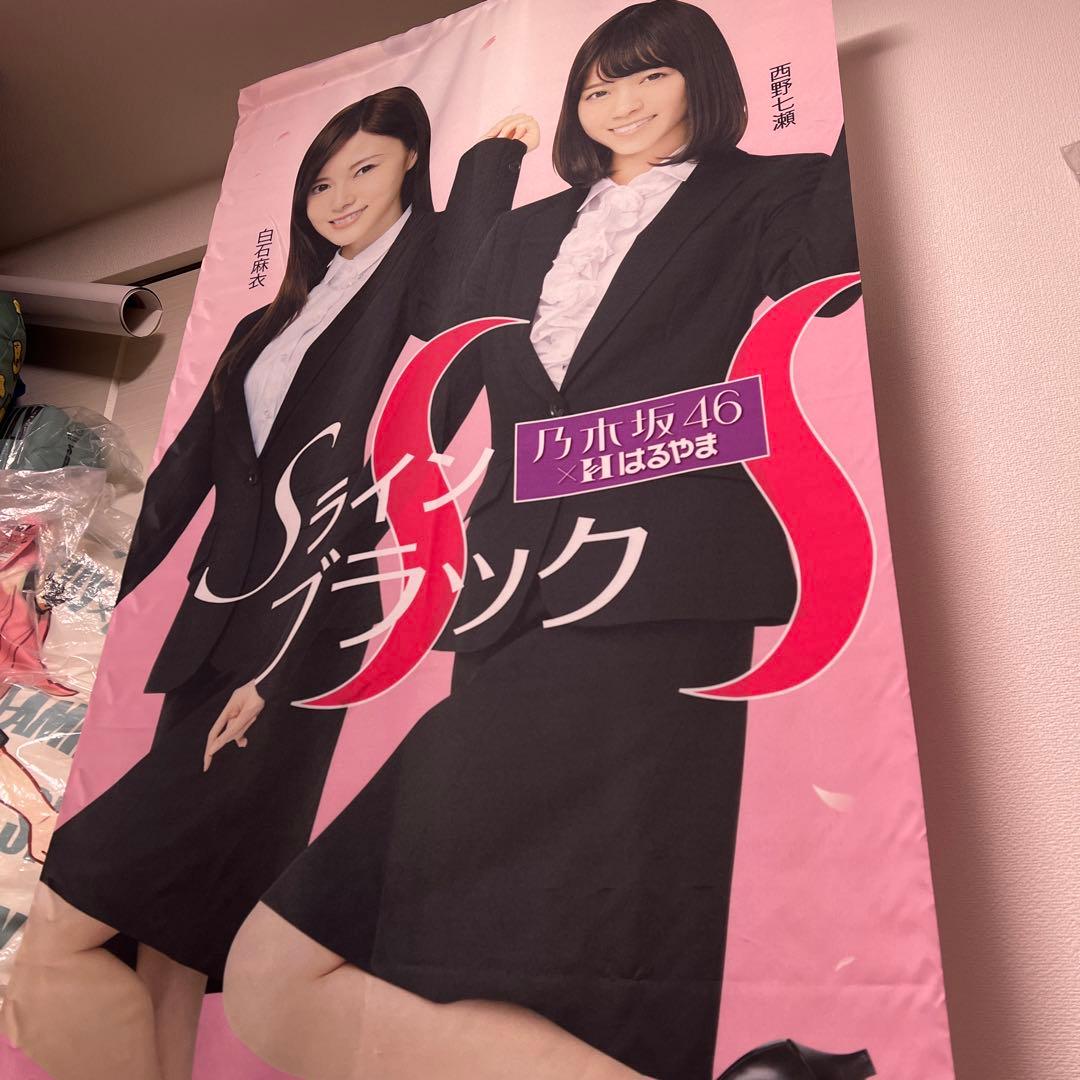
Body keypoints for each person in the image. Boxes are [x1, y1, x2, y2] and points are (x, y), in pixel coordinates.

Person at [224, 5, 869, 1080]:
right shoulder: (527, 230)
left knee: (607, 938)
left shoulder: (761, 189)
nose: (620, 104)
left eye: (649, 77)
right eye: (598, 86)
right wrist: (485, 173)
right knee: (382, 965)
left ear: (701, 82)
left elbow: (829, 281)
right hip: (516, 595)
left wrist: (853, 112)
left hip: (663, 591)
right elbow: (442, 354)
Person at [0, 87, 537, 1080]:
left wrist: (488, 172)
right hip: (210, 636)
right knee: (175, 931)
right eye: (321, 181)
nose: (338, 197)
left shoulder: (415, 289)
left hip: (305, 638)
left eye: (365, 168)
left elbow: (458, 331)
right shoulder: (265, 321)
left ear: (413, 165)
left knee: (72, 926)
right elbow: (182, 483)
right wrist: (63, 601)